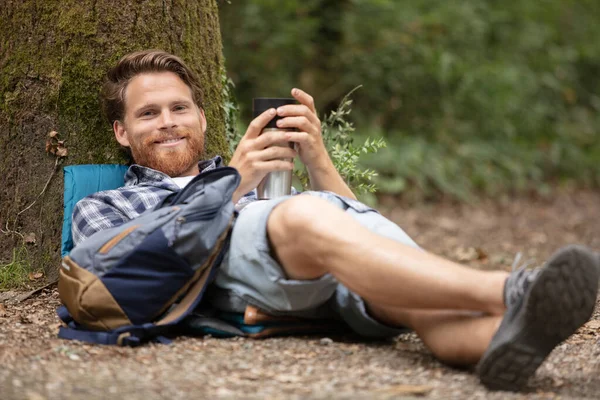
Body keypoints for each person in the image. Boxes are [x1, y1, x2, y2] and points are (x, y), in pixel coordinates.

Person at [72, 49, 599, 391]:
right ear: (122, 133)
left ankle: (511, 341)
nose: (168, 123)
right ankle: (515, 291)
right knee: (300, 213)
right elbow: (135, 269)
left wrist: (318, 160)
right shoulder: (104, 205)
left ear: (201, 117)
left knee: (413, 299)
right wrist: (233, 183)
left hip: (313, 262)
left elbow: (354, 228)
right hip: (241, 278)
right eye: (148, 114)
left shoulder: (259, 175)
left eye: (179, 108)